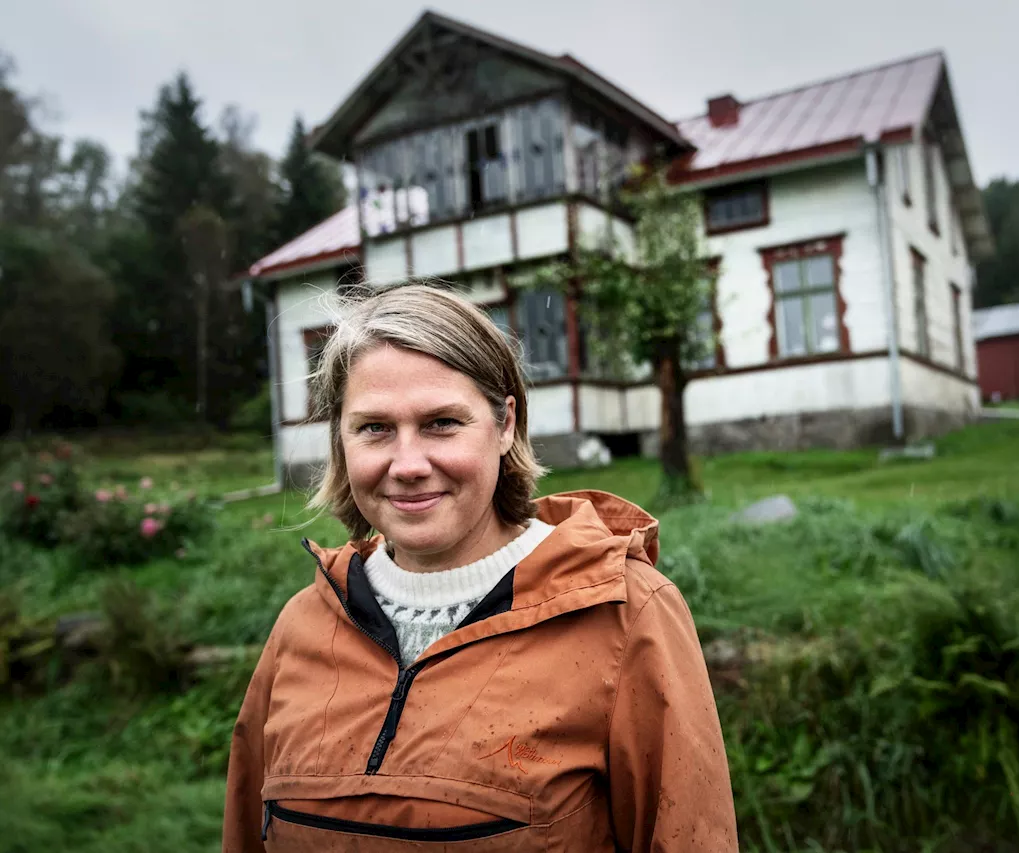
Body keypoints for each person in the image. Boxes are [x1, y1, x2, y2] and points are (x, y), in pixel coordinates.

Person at [222, 284, 738, 852]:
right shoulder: (302, 626)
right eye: (374, 428)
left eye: (442, 422)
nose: (408, 464)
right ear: (340, 443)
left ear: (505, 425)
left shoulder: (626, 614)